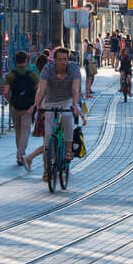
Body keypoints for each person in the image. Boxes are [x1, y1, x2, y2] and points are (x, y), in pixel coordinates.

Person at [33, 47, 85, 182]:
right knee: (47, 140)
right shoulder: (47, 69)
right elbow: (42, 89)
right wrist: (37, 105)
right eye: (60, 59)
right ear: (54, 60)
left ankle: (68, 150)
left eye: (65, 59)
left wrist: (74, 104)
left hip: (68, 100)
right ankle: (47, 171)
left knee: (68, 117)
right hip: (51, 102)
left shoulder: (73, 68)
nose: (63, 62)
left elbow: (75, 89)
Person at [3, 51, 39, 171]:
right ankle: (20, 154)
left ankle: (19, 155)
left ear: (15, 60)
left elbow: (5, 92)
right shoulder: (32, 74)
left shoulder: (10, 75)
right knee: (25, 131)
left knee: (18, 131)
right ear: (27, 60)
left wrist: (11, 103)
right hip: (28, 107)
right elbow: (38, 90)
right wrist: (34, 105)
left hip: (15, 107)